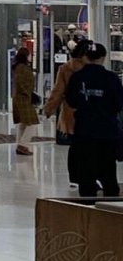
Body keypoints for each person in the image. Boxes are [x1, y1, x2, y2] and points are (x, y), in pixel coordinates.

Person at [65, 42, 123, 199]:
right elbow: (118, 103)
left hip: (84, 131)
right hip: (107, 132)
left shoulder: (77, 78)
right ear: (103, 58)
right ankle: (111, 205)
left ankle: (88, 207)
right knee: (108, 171)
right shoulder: (111, 78)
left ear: (86, 57)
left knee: (86, 172)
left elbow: (71, 101)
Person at [43, 38, 89, 187]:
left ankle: (74, 177)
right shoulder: (91, 69)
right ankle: (88, 175)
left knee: (75, 146)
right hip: (90, 111)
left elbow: (58, 91)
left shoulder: (65, 69)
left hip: (70, 111)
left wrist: (49, 108)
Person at [11, 47, 39, 155]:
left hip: (20, 98)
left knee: (23, 123)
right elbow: (22, 84)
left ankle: (20, 144)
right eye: (29, 54)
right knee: (32, 123)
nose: (30, 56)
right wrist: (28, 93)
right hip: (24, 99)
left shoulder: (18, 68)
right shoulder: (23, 68)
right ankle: (23, 144)